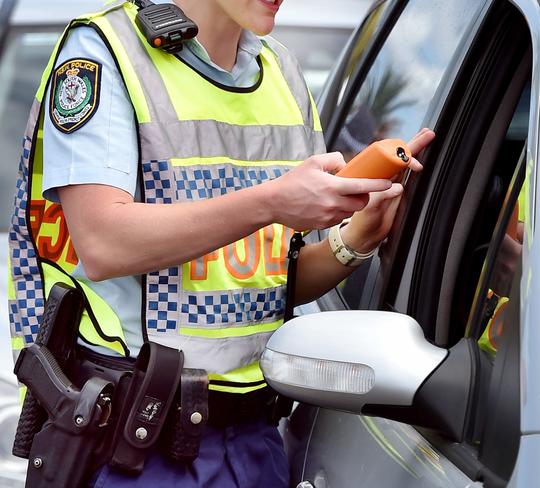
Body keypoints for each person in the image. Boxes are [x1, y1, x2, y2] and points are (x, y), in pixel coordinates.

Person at [7, 0, 435, 485]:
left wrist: (356, 241)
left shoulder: (282, 73)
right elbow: (103, 244)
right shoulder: (105, 52)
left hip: (255, 441)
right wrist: (271, 202)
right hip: (134, 444)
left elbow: (266, 289)